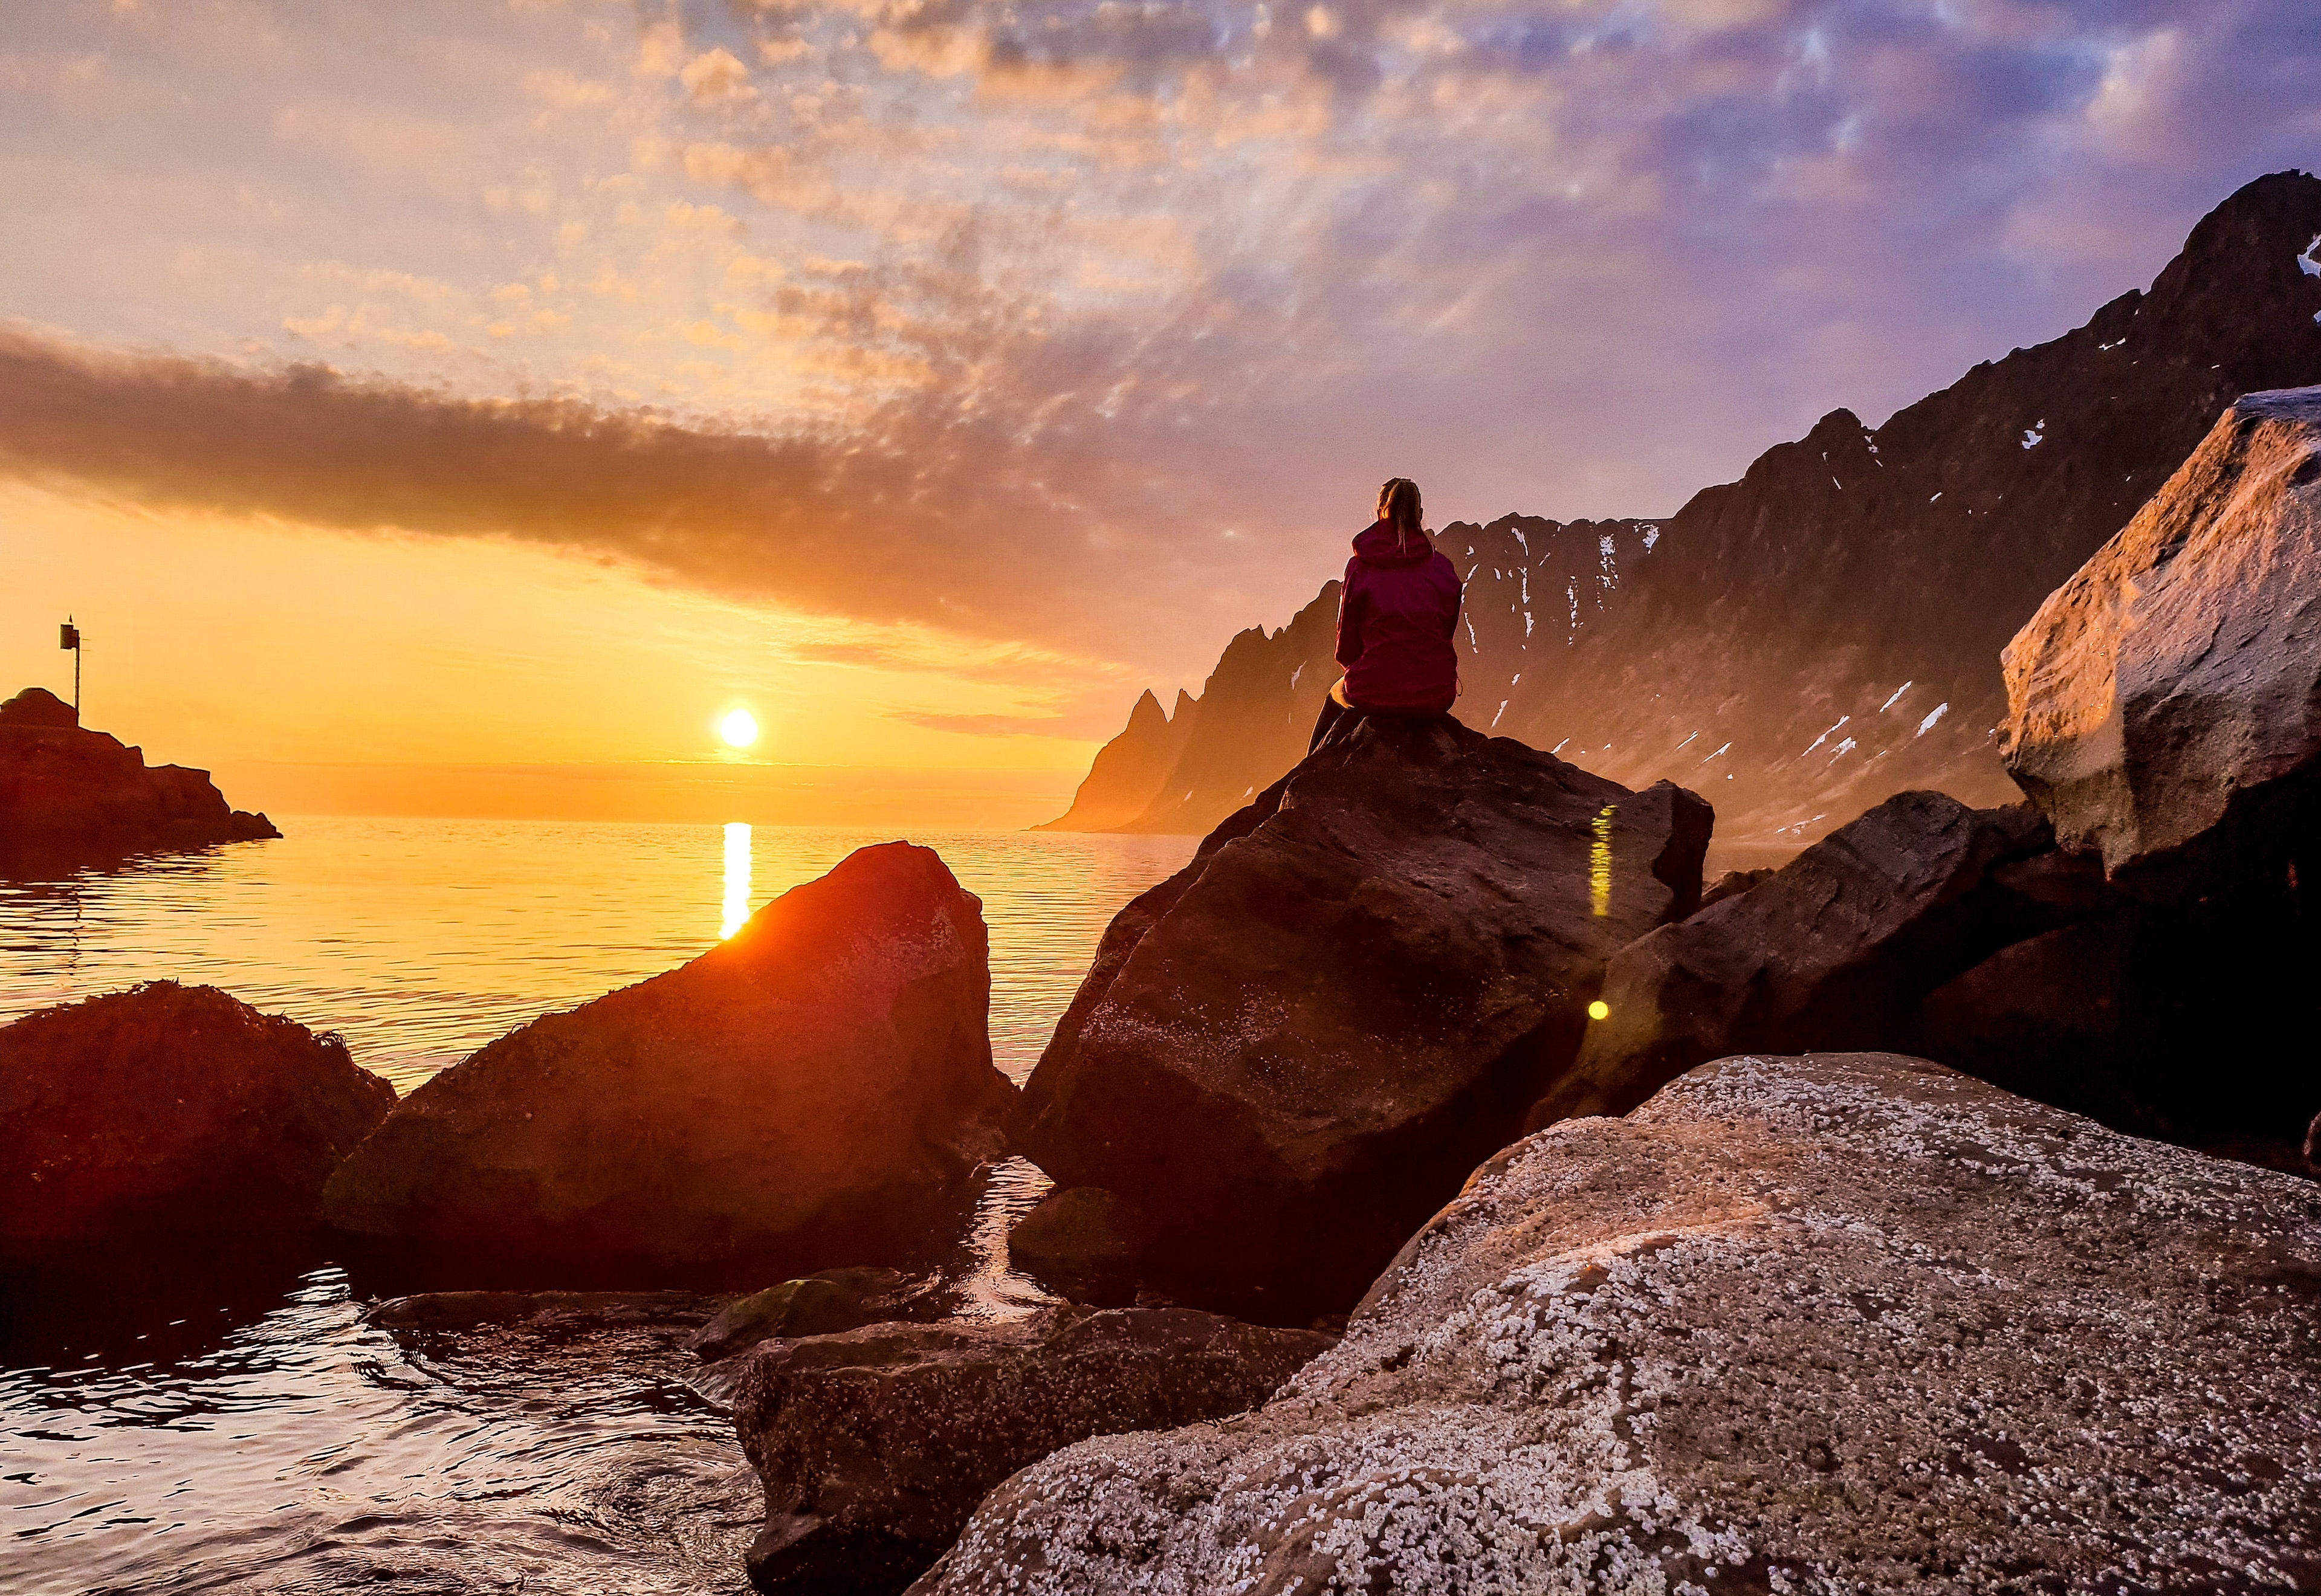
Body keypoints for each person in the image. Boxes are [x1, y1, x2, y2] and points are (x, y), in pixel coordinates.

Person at [1310, 476, 1462, 752]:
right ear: (1421, 515)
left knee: (1334, 698)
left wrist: (1373, 672)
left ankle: (1308, 769)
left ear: (1381, 512)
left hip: (1374, 690)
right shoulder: (1444, 570)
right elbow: (1445, 632)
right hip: (1436, 694)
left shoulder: (1360, 568)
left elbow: (1346, 648)